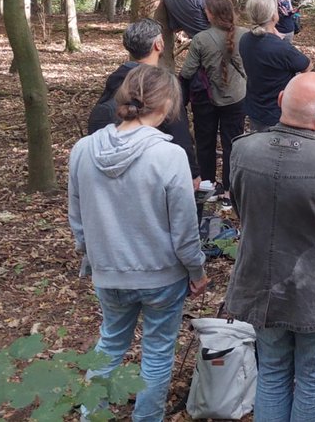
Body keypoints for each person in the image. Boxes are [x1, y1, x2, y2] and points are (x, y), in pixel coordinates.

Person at [69, 64, 208, 422]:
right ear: (166, 106)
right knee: (158, 352)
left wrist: (90, 256)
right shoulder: (170, 156)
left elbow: (78, 219)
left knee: (110, 344)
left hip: (109, 273)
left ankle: (91, 414)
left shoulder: (83, 150)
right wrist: (196, 269)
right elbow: (184, 227)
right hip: (161, 276)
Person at [225, 72, 315, 422]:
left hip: (259, 281)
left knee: (272, 373)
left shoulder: (243, 149)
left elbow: (241, 205)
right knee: (313, 380)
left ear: (279, 102)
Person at [88, 18, 199, 190]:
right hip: (152, 174)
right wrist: (192, 172)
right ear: (158, 44)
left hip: (107, 173)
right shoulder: (161, 87)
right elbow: (179, 130)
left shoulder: (116, 79)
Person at [179, 0, 247, 206]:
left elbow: (187, 71)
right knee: (232, 144)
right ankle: (229, 191)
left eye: (206, 10)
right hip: (237, 97)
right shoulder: (245, 35)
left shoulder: (201, 39)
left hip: (206, 100)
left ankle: (207, 185)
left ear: (211, 14)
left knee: (205, 143)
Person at [238, 0, 311, 130]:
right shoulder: (281, 48)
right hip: (277, 113)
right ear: (273, 15)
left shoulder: (245, 39)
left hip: (255, 108)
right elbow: (307, 66)